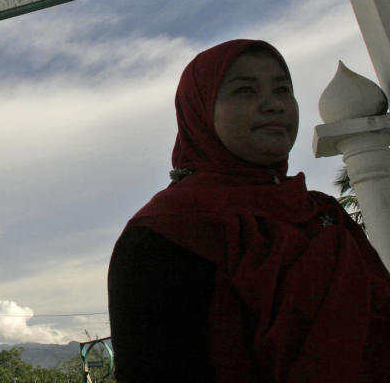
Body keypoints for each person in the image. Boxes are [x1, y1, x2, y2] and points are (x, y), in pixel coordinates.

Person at [108, 39, 390, 382]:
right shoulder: (167, 232)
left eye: (282, 90)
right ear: (201, 110)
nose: (273, 105)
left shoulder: (325, 216)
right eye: (245, 91)